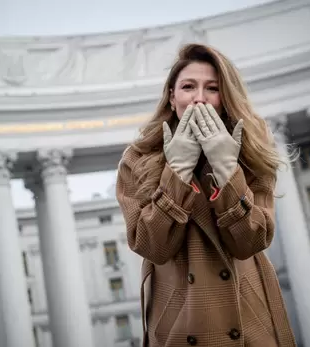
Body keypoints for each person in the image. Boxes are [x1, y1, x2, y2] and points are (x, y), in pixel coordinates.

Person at [116, 43, 296, 347]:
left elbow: (251, 241)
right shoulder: (137, 159)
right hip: (178, 323)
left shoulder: (252, 152)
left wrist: (227, 168)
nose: (199, 98)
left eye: (212, 88)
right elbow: (152, 245)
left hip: (248, 322)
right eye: (188, 87)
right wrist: (177, 170)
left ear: (224, 100)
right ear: (172, 98)